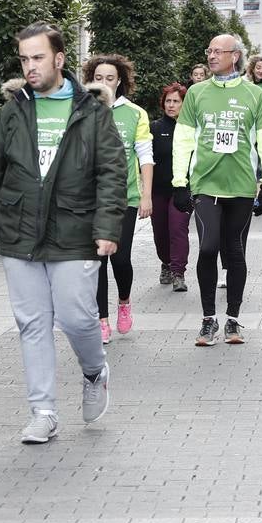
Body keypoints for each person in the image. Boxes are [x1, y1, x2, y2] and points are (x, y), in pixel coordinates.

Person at [0, 23, 127, 444]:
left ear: (59, 59)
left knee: (77, 317)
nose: (30, 66)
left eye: (37, 57)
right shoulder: (14, 110)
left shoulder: (91, 111)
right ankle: (43, 411)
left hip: (75, 229)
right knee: (32, 323)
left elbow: (112, 172)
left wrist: (108, 227)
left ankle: (94, 370)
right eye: (24, 58)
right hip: (20, 230)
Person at [171, 34, 262, 346]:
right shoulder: (196, 93)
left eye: (218, 51)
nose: (212, 55)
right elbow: (184, 139)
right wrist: (180, 181)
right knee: (207, 248)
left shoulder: (253, 95)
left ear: (236, 56)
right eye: (209, 50)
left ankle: (232, 319)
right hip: (206, 184)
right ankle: (208, 319)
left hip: (243, 186)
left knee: (234, 251)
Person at [83, 54, 153, 343]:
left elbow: (145, 157)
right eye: (98, 78)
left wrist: (147, 195)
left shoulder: (135, 113)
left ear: (120, 81)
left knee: (120, 260)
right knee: (96, 260)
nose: (104, 83)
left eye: (109, 78)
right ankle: (101, 319)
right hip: (90, 199)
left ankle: (124, 302)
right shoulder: (82, 111)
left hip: (125, 197)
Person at [151, 83, 190, 293]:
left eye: (176, 101)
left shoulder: (189, 128)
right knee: (160, 232)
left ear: (183, 104)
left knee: (178, 230)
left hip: (181, 190)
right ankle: (165, 262)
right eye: (168, 101)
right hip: (158, 190)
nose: (171, 105)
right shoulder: (155, 128)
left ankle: (178, 272)